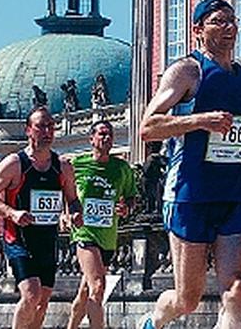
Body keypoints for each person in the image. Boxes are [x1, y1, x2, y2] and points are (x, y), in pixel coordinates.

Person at [137, 0, 241, 329]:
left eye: (233, 21)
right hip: (190, 194)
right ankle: (153, 321)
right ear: (197, 30)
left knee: (236, 289)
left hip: (236, 194)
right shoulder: (188, 71)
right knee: (187, 299)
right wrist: (200, 120)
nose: (229, 28)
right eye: (219, 22)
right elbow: (148, 127)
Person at [0, 106, 83, 329]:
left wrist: (74, 213)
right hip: (18, 240)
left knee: (43, 301)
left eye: (50, 126)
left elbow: (73, 199)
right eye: (40, 126)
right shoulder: (15, 163)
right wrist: (12, 213)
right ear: (29, 130)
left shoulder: (63, 166)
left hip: (47, 240)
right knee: (31, 294)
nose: (46, 131)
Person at [66, 120, 138, 329]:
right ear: (91, 139)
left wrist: (126, 208)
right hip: (84, 234)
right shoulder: (77, 164)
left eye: (110, 135)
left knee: (85, 292)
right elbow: (65, 190)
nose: (106, 138)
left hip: (108, 237)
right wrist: (66, 214)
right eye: (102, 134)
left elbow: (131, 197)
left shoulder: (122, 168)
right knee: (98, 287)